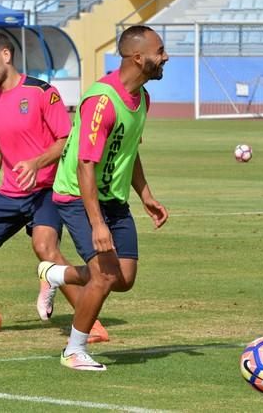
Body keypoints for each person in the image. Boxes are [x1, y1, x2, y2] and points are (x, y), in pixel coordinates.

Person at [0, 32, 109, 344]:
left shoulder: (42, 92)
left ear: (6, 55)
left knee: (45, 248)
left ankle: (89, 323)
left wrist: (36, 162)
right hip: (10, 193)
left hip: (47, 190)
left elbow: (68, 140)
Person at [35, 25, 169, 371]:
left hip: (113, 197)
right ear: (138, 58)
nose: (165, 57)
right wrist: (97, 224)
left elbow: (129, 150)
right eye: (160, 51)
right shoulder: (102, 101)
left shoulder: (143, 99)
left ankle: (55, 275)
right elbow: (84, 165)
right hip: (78, 195)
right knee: (105, 275)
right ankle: (74, 350)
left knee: (124, 278)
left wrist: (146, 195)